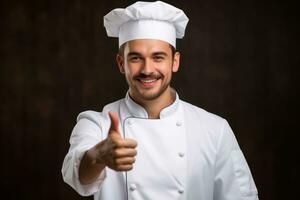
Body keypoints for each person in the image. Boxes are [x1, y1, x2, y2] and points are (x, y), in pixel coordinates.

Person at [62, 1, 259, 200]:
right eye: (136, 58)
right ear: (121, 63)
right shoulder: (97, 124)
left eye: (158, 57)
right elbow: (75, 175)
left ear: (175, 61)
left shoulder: (214, 130)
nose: (147, 69)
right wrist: (99, 155)